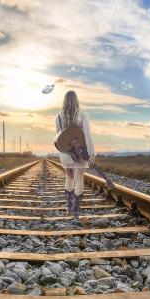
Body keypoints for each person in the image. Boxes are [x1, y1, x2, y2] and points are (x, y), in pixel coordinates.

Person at [55, 90, 95, 219]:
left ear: (64, 101)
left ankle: (68, 207)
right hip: (80, 151)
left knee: (69, 178)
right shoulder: (83, 115)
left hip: (66, 152)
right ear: (76, 100)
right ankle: (76, 211)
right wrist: (91, 153)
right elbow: (87, 136)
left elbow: (59, 137)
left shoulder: (59, 117)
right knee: (79, 179)